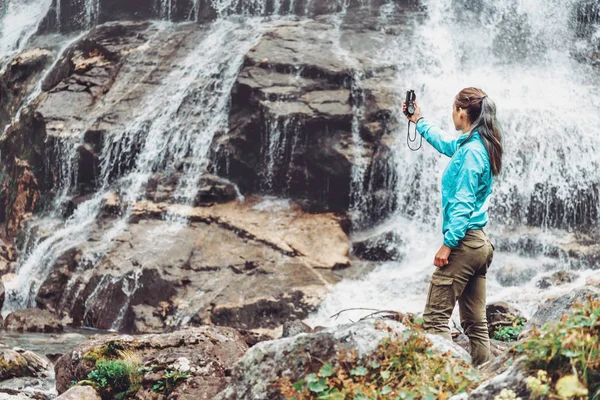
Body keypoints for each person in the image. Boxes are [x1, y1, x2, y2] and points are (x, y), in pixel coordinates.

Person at [402, 87, 503, 366]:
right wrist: (418, 121)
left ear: (461, 111)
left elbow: (463, 203)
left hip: (464, 243)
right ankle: (482, 379)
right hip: (479, 245)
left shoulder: (472, 153)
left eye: (453, 109)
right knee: (475, 324)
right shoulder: (475, 143)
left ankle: (443, 382)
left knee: (435, 319)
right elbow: (446, 143)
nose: (452, 115)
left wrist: (448, 244)